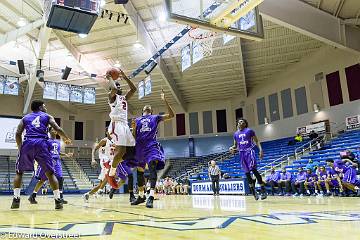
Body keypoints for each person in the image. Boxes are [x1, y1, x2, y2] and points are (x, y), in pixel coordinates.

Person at [12, 100, 72, 210]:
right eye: (44, 106)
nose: (46, 108)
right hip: (42, 143)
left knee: (19, 172)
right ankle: (58, 201)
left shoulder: (25, 118)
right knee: (50, 174)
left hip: (28, 143)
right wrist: (66, 138)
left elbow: (17, 133)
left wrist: (21, 148)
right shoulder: (48, 116)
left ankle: (16, 199)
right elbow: (57, 128)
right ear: (40, 107)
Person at [131, 90, 175, 208]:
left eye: (149, 107)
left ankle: (150, 196)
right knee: (139, 172)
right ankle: (141, 196)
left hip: (151, 145)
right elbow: (134, 137)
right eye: (145, 107)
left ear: (151, 110)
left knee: (152, 168)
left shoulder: (155, 117)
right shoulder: (137, 120)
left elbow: (171, 115)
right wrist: (133, 128)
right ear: (142, 110)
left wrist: (165, 100)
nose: (147, 106)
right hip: (140, 146)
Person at [105, 68, 137, 189]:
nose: (119, 87)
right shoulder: (111, 96)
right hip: (116, 124)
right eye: (117, 85)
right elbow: (113, 89)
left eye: (120, 86)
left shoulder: (123, 98)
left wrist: (124, 76)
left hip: (124, 124)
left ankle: (116, 165)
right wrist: (109, 77)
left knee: (130, 149)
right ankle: (111, 173)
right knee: (122, 150)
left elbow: (134, 89)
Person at [28, 127, 73, 204]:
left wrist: (66, 155)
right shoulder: (47, 141)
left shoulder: (58, 142)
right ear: (49, 132)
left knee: (60, 178)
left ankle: (60, 197)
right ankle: (33, 196)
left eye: (55, 129)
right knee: (42, 180)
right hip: (48, 161)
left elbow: (57, 152)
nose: (55, 130)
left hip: (57, 161)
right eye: (52, 129)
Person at [229, 119, 267, 200]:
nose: (240, 123)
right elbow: (235, 146)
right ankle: (253, 192)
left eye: (242, 121)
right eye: (239, 122)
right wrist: (232, 148)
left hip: (249, 152)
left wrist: (260, 150)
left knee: (254, 170)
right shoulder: (235, 134)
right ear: (237, 124)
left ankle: (263, 190)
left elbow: (257, 141)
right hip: (241, 154)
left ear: (245, 124)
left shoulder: (249, 131)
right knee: (247, 174)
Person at [83, 130, 115, 202]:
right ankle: (101, 190)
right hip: (104, 160)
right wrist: (93, 159)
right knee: (110, 173)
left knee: (101, 183)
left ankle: (87, 194)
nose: (111, 133)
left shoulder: (114, 141)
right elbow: (94, 149)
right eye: (110, 132)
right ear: (107, 132)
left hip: (110, 161)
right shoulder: (104, 140)